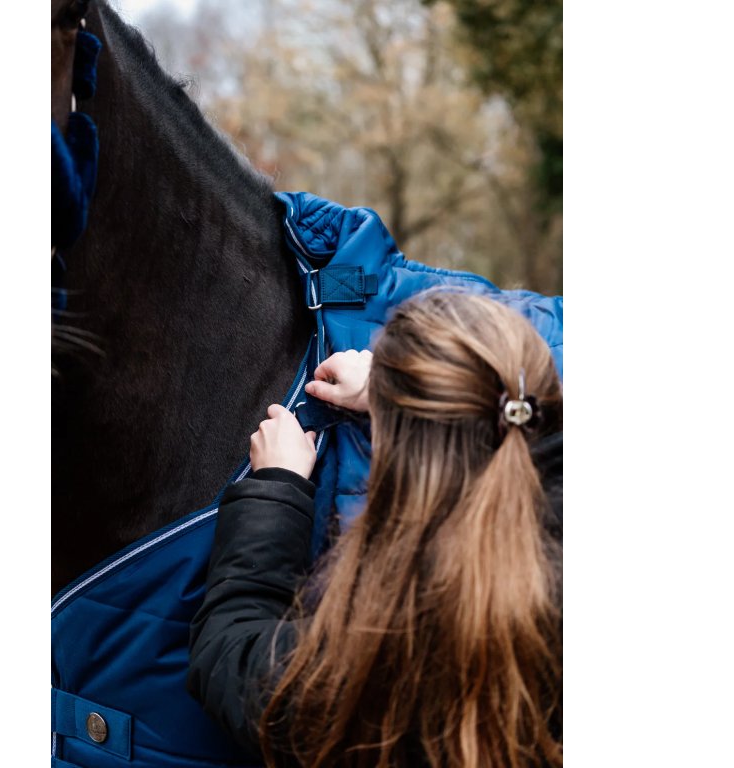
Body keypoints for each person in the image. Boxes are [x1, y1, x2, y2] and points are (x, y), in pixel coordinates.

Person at [187, 290, 563, 768]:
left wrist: (276, 487)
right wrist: (402, 394)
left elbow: (233, 657)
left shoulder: (393, 644)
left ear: (398, 450)